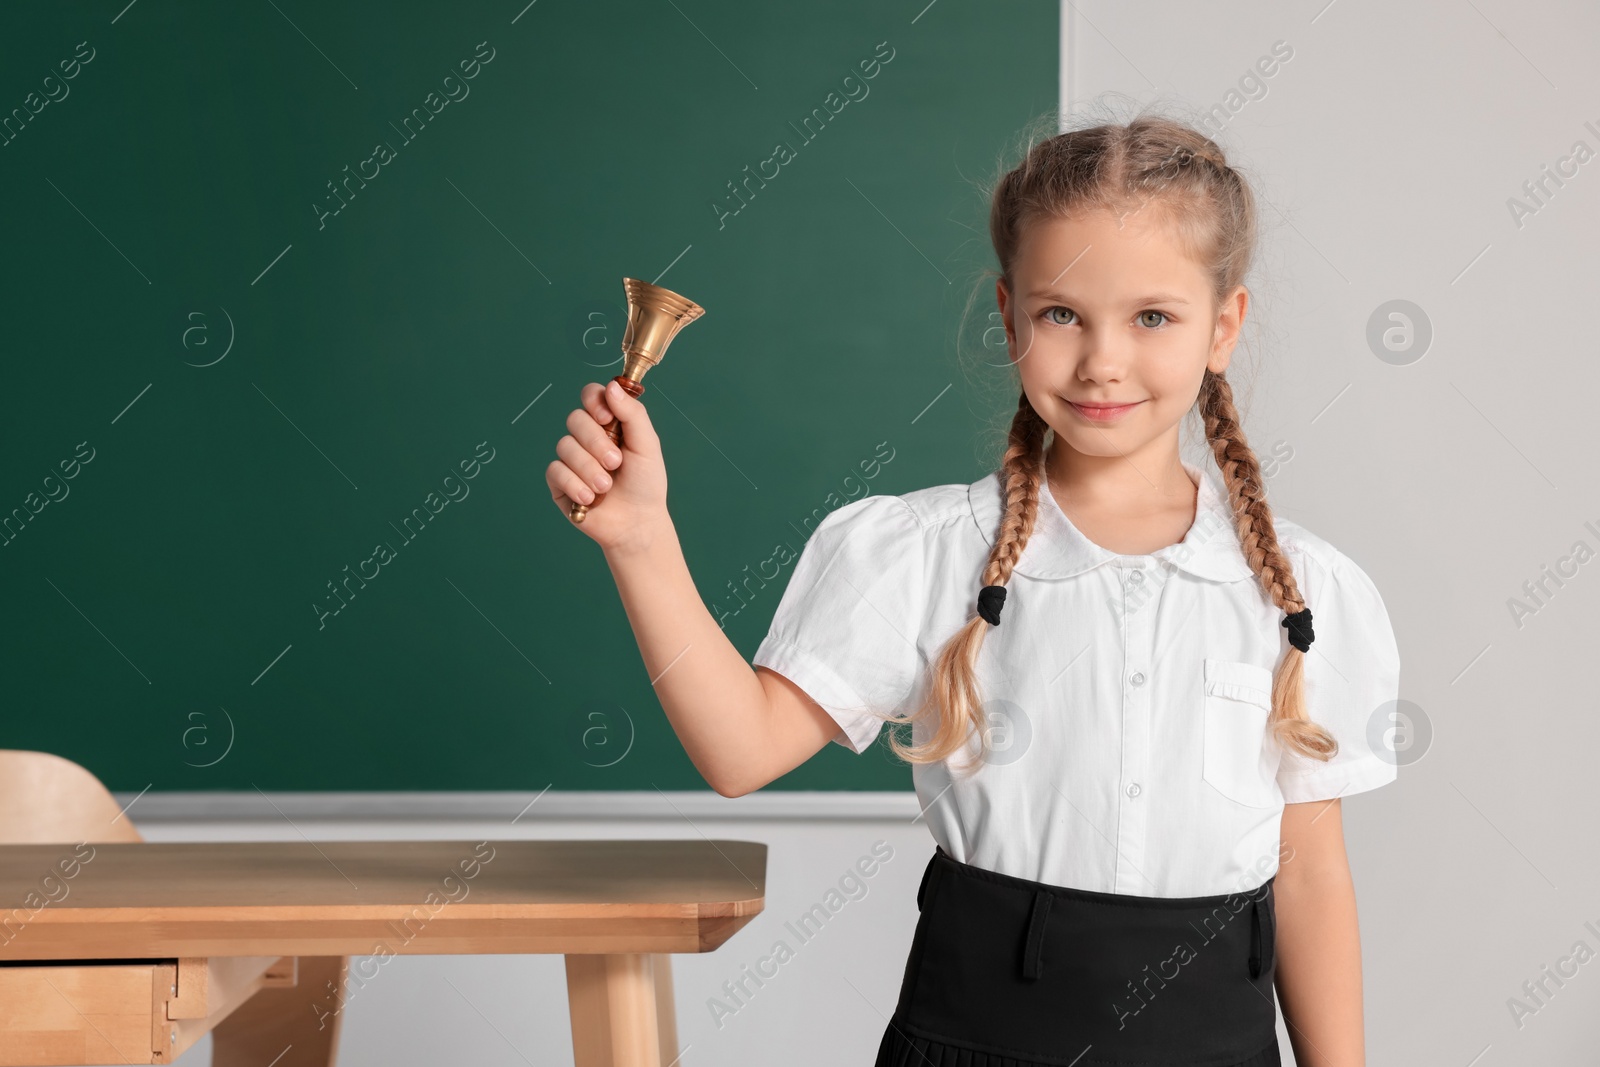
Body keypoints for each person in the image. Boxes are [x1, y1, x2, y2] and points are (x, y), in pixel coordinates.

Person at [546, 111, 1400, 1067]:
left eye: (1152, 316)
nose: (1102, 361)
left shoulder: (1302, 592)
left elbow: (1309, 873)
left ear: (1223, 326)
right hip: (974, 1038)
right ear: (1009, 317)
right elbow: (739, 749)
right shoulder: (921, 553)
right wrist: (641, 539)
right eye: (1061, 314)